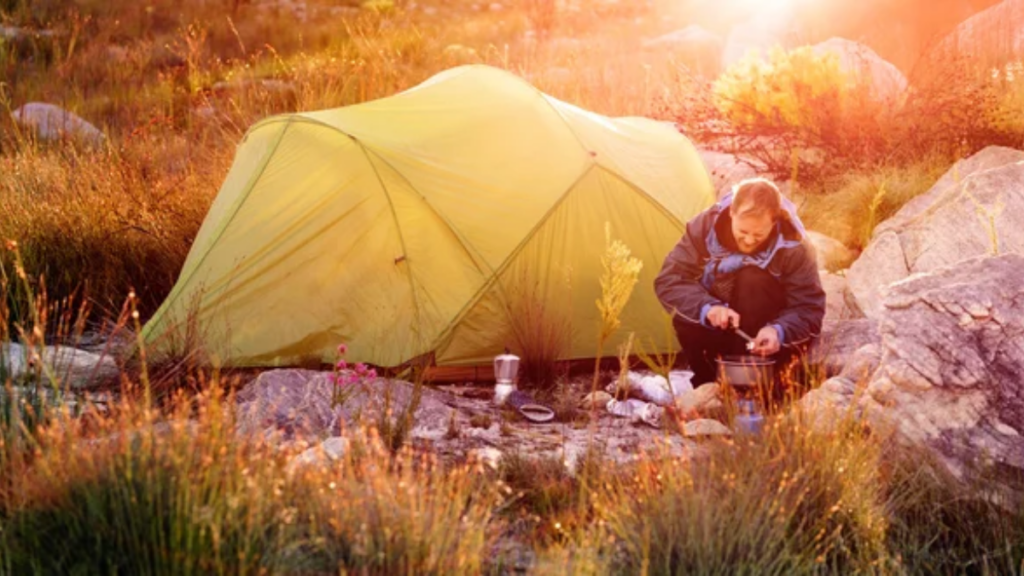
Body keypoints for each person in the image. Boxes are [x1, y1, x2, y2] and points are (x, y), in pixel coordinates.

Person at [654, 177, 825, 390]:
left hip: (764, 338)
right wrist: (707, 308)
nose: (749, 240)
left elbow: (809, 307)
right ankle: (708, 383)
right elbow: (670, 280)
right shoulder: (704, 227)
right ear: (731, 213)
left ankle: (758, 386)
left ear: (774, 221)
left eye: (758, 234)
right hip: (717, 326)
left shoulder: (795, 245)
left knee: (753, 279)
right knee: (689, 312)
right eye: (743, 232)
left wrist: (778, 331)